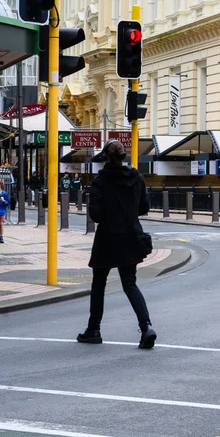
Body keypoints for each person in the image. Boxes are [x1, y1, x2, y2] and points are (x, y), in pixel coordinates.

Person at [77, 140, 156, 349]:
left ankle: (94, 329)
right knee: (130, 284)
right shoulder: (136, 176)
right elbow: (144, 206)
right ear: (124, 156)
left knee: (99, 284)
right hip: (130, 235)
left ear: (106, 157)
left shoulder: (100, 180)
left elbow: (96, 214)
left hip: (107, 238)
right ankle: (146, 326)